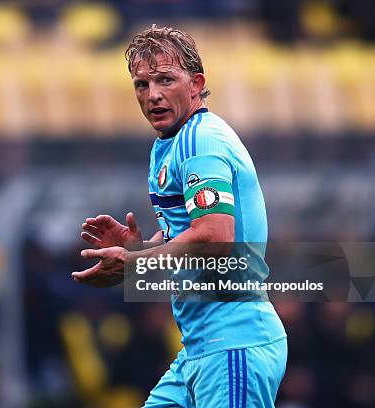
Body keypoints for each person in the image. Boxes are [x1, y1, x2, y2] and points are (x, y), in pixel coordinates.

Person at [73, 26, 287, 407]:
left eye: (165, 80)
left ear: (196, 84)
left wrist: (135, 261)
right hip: (200, 348)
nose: (152, 95)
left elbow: (216, 238)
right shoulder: (171, 142)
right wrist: (136, 252)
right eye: (141, 84)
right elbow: (188, 238)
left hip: (233, 342)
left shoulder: (199, 140)